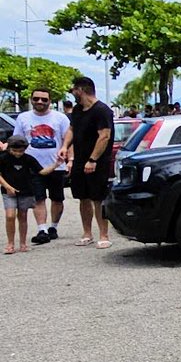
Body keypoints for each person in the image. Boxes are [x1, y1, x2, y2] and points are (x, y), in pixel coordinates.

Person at [57, 76, 115, 248]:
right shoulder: (77, 110)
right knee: (83, 197)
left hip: (97, 161)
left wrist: (93, 160)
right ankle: (87, 233)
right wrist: (65, 146)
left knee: (98, 197)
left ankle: (104, 235)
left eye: (74, 90)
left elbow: (104, 136)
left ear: (80, 90)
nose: (73, 93)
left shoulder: (102, 111)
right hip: (79, 161)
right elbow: (72, 129)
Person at [13, 86, 71, 244]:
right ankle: (42, 230)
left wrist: (70, 160)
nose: (40, 102)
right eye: (36, 98)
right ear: (31, 100)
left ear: (50, 101)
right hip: (32, 167)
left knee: (57, 199)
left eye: (44, 99)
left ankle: (53, 227)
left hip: (56, 166)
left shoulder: (60, 118)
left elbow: (69, 141)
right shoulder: (23, 118)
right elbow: (17, 141)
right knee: (38, 198)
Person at [0, 136, 59, 254]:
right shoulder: (3, 158)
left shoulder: (28, 159)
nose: (17, 153)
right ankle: (10, 243)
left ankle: (23, 243)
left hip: (26, 191)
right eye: (14, 151)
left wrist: (56, 164)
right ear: (9, 148)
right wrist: (7, 186)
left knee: (23, 216)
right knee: (10, 216)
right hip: (9, 191)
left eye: (20, 151)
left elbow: (42, 172)